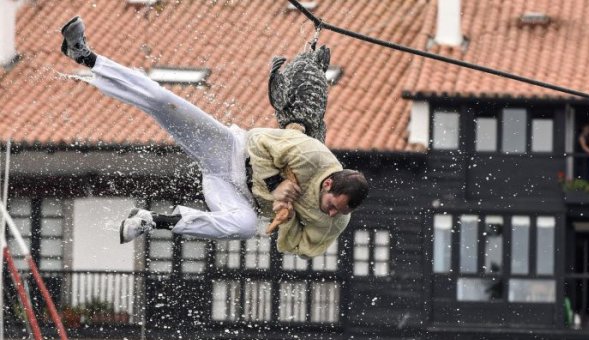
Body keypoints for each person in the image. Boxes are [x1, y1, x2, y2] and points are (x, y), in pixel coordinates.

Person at [60, 16, 368, 258]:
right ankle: (85, 56)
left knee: (246, 227)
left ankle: (152, 220)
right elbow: (259, 140)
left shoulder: (335, 221)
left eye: (338, 212)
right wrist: (277, 184)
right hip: (230, 152)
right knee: (162, 101)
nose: (330, 213)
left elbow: (296, 248)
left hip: (236, 195)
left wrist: (287, 215)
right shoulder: (312, 154)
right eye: (331, 205)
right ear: (328, 183)